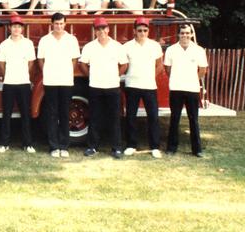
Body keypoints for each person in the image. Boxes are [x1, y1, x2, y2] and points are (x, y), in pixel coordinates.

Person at [80, 17, 128, 159]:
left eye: (103, 28)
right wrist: (90, 76)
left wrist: (115, 76)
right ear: (95, 31)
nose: (101, 31)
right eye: (98, 29)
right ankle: (92, 147)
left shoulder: (117, 46)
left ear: (108, 29)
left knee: (114, 118)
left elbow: (124, 64)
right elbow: (82, 64)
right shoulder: (89, 47)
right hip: (95, 86)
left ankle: (117, 148)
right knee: (95, 117)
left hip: (112, 87)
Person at [37, 12, 81, 158]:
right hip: (50, 81)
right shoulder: (45, 40)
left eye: (61, 23)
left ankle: (64, 146)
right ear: (52, 24)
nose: (59, 26)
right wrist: (48, 72)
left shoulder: (72, 39)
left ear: (65, 24)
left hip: (66, 81)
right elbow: (41, 60)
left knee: (64, 113)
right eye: (56, 23)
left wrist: (67, 72)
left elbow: (74, 60)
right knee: (51, 114)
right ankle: (54, 146)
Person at [164, 24, 208, 157]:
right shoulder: (171, 50)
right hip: (176, 89)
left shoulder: (199, 50)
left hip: (192, 89)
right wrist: (178, 79)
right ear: (178, 34)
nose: (185, 35)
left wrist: (192, 79)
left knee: (193, 119)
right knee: (174, 118)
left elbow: (202, 70)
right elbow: (167, 69)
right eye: (182, 33)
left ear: (191, 34)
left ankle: (197, 150)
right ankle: (171, 148)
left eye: (187, 33)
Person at [123, 17, 164, 158]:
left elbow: (159, 65)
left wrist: (151, 76)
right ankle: (131, 145)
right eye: (139, 30)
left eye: (145, 30)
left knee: (153, 117)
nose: (142, 33)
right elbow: (123, 64)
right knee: (131, 116)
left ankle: (155, 147)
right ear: (134, 31)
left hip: (149, 85)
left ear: (148, 31)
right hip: (131, 85)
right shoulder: (127, 46)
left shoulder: (155, 46)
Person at [0, 15, 36, 153]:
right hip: (9, 83)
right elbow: (1, 63)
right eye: (14, 26)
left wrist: (23, 74)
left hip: (24, 82)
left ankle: (28, 144)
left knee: (25, 114)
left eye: (19, 26)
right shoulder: (4, 44)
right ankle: (4, 143)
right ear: (9, 28)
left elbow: (31, 63)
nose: (16, 29)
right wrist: (8, 74)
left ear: (22, 29)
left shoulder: (28, 43)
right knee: (6, 114)